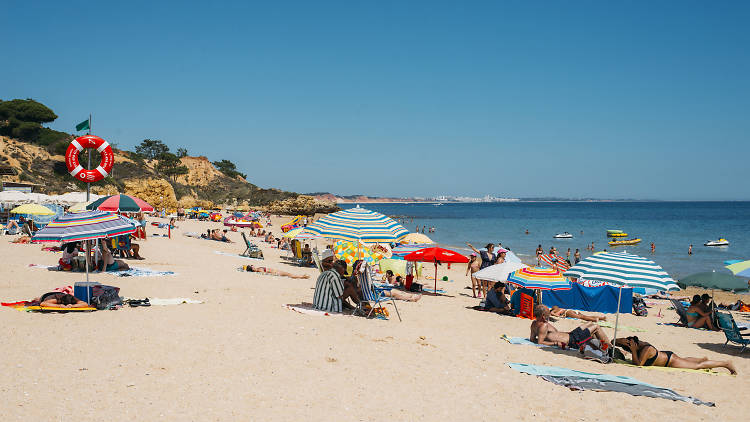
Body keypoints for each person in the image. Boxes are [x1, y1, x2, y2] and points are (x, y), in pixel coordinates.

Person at [615, 336, 736, 374]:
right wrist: (624, 341)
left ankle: (726, 363)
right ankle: (702, 359)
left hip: (670, 361)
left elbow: (638, 364)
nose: (628, 342)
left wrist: (633, 350)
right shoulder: (639, 345)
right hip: (668, 356)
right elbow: (613, 341)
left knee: (699, 366)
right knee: (684, 360)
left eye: (628, 341)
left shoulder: (645, 348)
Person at [530, 305, 610, 350]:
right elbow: (540, 342)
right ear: (543, 316)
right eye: (548, 314)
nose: (549, 316)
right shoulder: (543, 326)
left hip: (572, 335)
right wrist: (555, 343)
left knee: (589, 323)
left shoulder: (534, 324)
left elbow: (532, 339)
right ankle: (609, 348)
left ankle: (600, 346)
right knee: (596, 326)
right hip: (573, 341)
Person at [242, 264, 310, 279]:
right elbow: (266, 273)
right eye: (252, 266)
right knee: (290, 275)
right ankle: (302, 276)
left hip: (276, 271)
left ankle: (302, 276)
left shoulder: (258, 269)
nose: (253, 265)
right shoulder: (259, 270)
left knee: (290, 274)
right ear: (252, 269)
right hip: (276, 272)